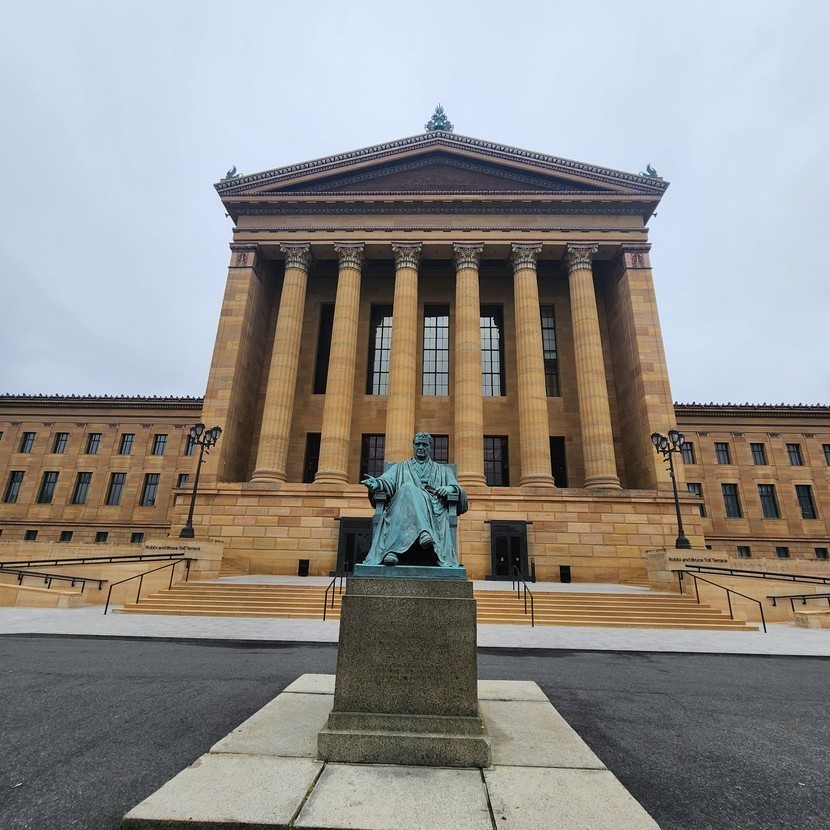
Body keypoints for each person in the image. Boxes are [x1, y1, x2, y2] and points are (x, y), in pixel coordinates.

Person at [361, 432, 468, 567]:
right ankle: (424, 533)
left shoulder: (443, 471)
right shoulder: (400, 468)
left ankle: (392, 552)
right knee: (408, 487)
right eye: (418, 444)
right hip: (403, 507)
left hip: (432, 507)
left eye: (424, 445)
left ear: (430, 447)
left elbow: (460, 492)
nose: (421, 447)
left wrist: (450, 488)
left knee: (408, 487)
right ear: (413, 446)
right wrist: (377, 484)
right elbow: (387, 482)